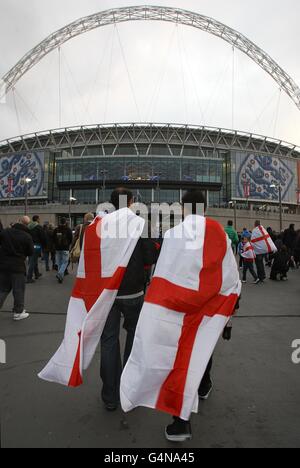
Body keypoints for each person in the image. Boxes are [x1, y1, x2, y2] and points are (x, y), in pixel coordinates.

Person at [120, 190, 241, 442]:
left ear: (183, 209)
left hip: (175, 308)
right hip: (207, 306)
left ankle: (181, 421)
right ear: (205, 208)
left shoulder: (172, 235)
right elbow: (230, 275)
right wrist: (230, 311)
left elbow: (163, 273)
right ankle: (204, 384)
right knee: (199, 348)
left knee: (179, 357)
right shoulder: (219, 232)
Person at [100, 188, 158, 412]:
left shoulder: (101, 223)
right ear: (132, 201)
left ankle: (110, 396)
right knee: (134, 338)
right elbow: (149, 256)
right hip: (133, 290)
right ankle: (129, 389)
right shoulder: (140, 223)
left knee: (109, 341)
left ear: (112, 203)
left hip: (108, 292)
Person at [0, 219, 34, 321]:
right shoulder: (27, 236)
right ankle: (18, 312)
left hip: (3, 265)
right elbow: (30, 252)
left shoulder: (5, 232)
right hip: (18, 266)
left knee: (2, 289)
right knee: (18, 290)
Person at [27, 215, 46, 283]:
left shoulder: (28, 227)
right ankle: (29, 277)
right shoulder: (38, 227)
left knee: (33, 259)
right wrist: (44, 245)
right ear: (37, 219)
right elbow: (43, 237)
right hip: (37, 245)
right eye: (39, 219)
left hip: (30, 245)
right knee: (33, 261)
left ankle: (37, 273)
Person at [53, 217, 73, 283]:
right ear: (65, 222)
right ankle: (60, 273)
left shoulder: (56, 229)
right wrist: (69, 245)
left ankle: (60, 278)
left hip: (57, 248)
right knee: (65, 262)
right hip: (65, 248)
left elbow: (53, 238)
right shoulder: (68, 229)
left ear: (59, 222)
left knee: (59, 262)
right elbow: (71, 239)